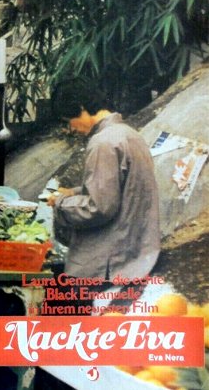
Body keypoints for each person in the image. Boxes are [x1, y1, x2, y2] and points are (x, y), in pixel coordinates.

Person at [47, 82, 160, 310]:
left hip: (112, 261)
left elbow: (98, 208)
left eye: (68, 121)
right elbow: (122, 189)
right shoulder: (129, 134)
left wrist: (59, 203)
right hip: (136, 249)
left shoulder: (103, 143)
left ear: (81, 108)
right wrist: (75, 192)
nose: (71, 129)